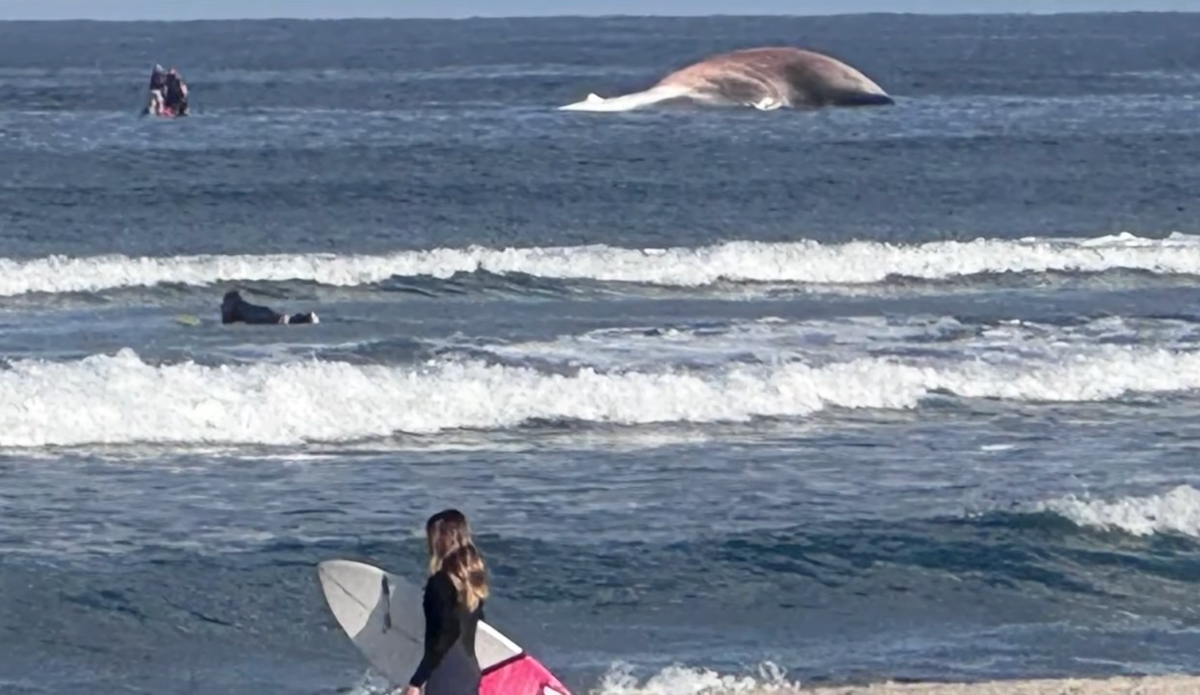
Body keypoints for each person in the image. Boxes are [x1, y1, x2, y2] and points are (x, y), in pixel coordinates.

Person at [406, 509, 490, 695]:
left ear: (440, 541)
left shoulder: (439, 583)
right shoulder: (472, 583)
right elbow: (478, 626)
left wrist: (416, 681)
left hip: (446, 674)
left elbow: (446, 635)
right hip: (469, 672)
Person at [220, 290, 319, 325]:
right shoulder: (239, 304)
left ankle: (305, 318)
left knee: (279, 319)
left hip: (255, 315)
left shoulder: (231, 305)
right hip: (258, 312)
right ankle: (305, 318)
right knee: (280, 319)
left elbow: (226, 320)